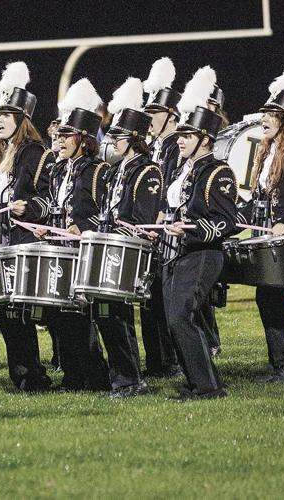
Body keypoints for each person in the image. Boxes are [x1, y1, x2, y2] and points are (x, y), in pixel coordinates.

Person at [162, 69, 237, 399]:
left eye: (187, 135)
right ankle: (197, 383)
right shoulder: (184, 169)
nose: (180, 140)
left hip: (203, 254)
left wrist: (191, 229)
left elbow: (226, 221)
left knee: (181, 317)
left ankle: (208, 387)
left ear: (205, 139)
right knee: (173, 320)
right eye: (180, 134)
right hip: (177, 251)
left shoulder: (218, 171)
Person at [33, 78, 111, 392]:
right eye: (59, 134)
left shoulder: (97, 170)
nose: (59, 139)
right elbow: (56, 207)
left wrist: (83, 227)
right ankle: (72, 375)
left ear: (83, 139)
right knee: (59, 316)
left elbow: (106, 214)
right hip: (60, 250)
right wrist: (46, 225)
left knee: (81, 316)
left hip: (83, 253)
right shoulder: (58, 170)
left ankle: (95, 376)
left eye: (67, 135)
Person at [0, 61, 55, 392]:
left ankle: (34, 374)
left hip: (23, 240)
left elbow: (49, 199)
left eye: (7, 115)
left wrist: (30, 208)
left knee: (21, 312)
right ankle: (22, 374)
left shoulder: (35, 152)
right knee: (5, 311)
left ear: (21, 120)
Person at [95, 77, 163, 398]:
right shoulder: (114, 171)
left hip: (128, 254)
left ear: (134, 138)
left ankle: (131, 379)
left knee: (117, 317)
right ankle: (120, 377)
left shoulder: (148, 171)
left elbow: (143, 223)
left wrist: (113, 232)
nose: (112, 141)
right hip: (109, 251)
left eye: (118, 136)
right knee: (105, 315)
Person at [237, 61, 284, 383]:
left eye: (271, 114)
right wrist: (235, 220)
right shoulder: (264, 154)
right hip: (270, 240)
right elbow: (257, 199)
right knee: (268, 296)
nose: (263, 118)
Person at [141, 57, 183, 377]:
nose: (149, 118)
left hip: (166, 232)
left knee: (163, 298)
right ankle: (156, 360)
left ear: (171, 114)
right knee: (149, 298)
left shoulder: (174, 147)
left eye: (155, 112)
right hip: (151, 230)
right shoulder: (155, 147)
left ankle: (169, 360)